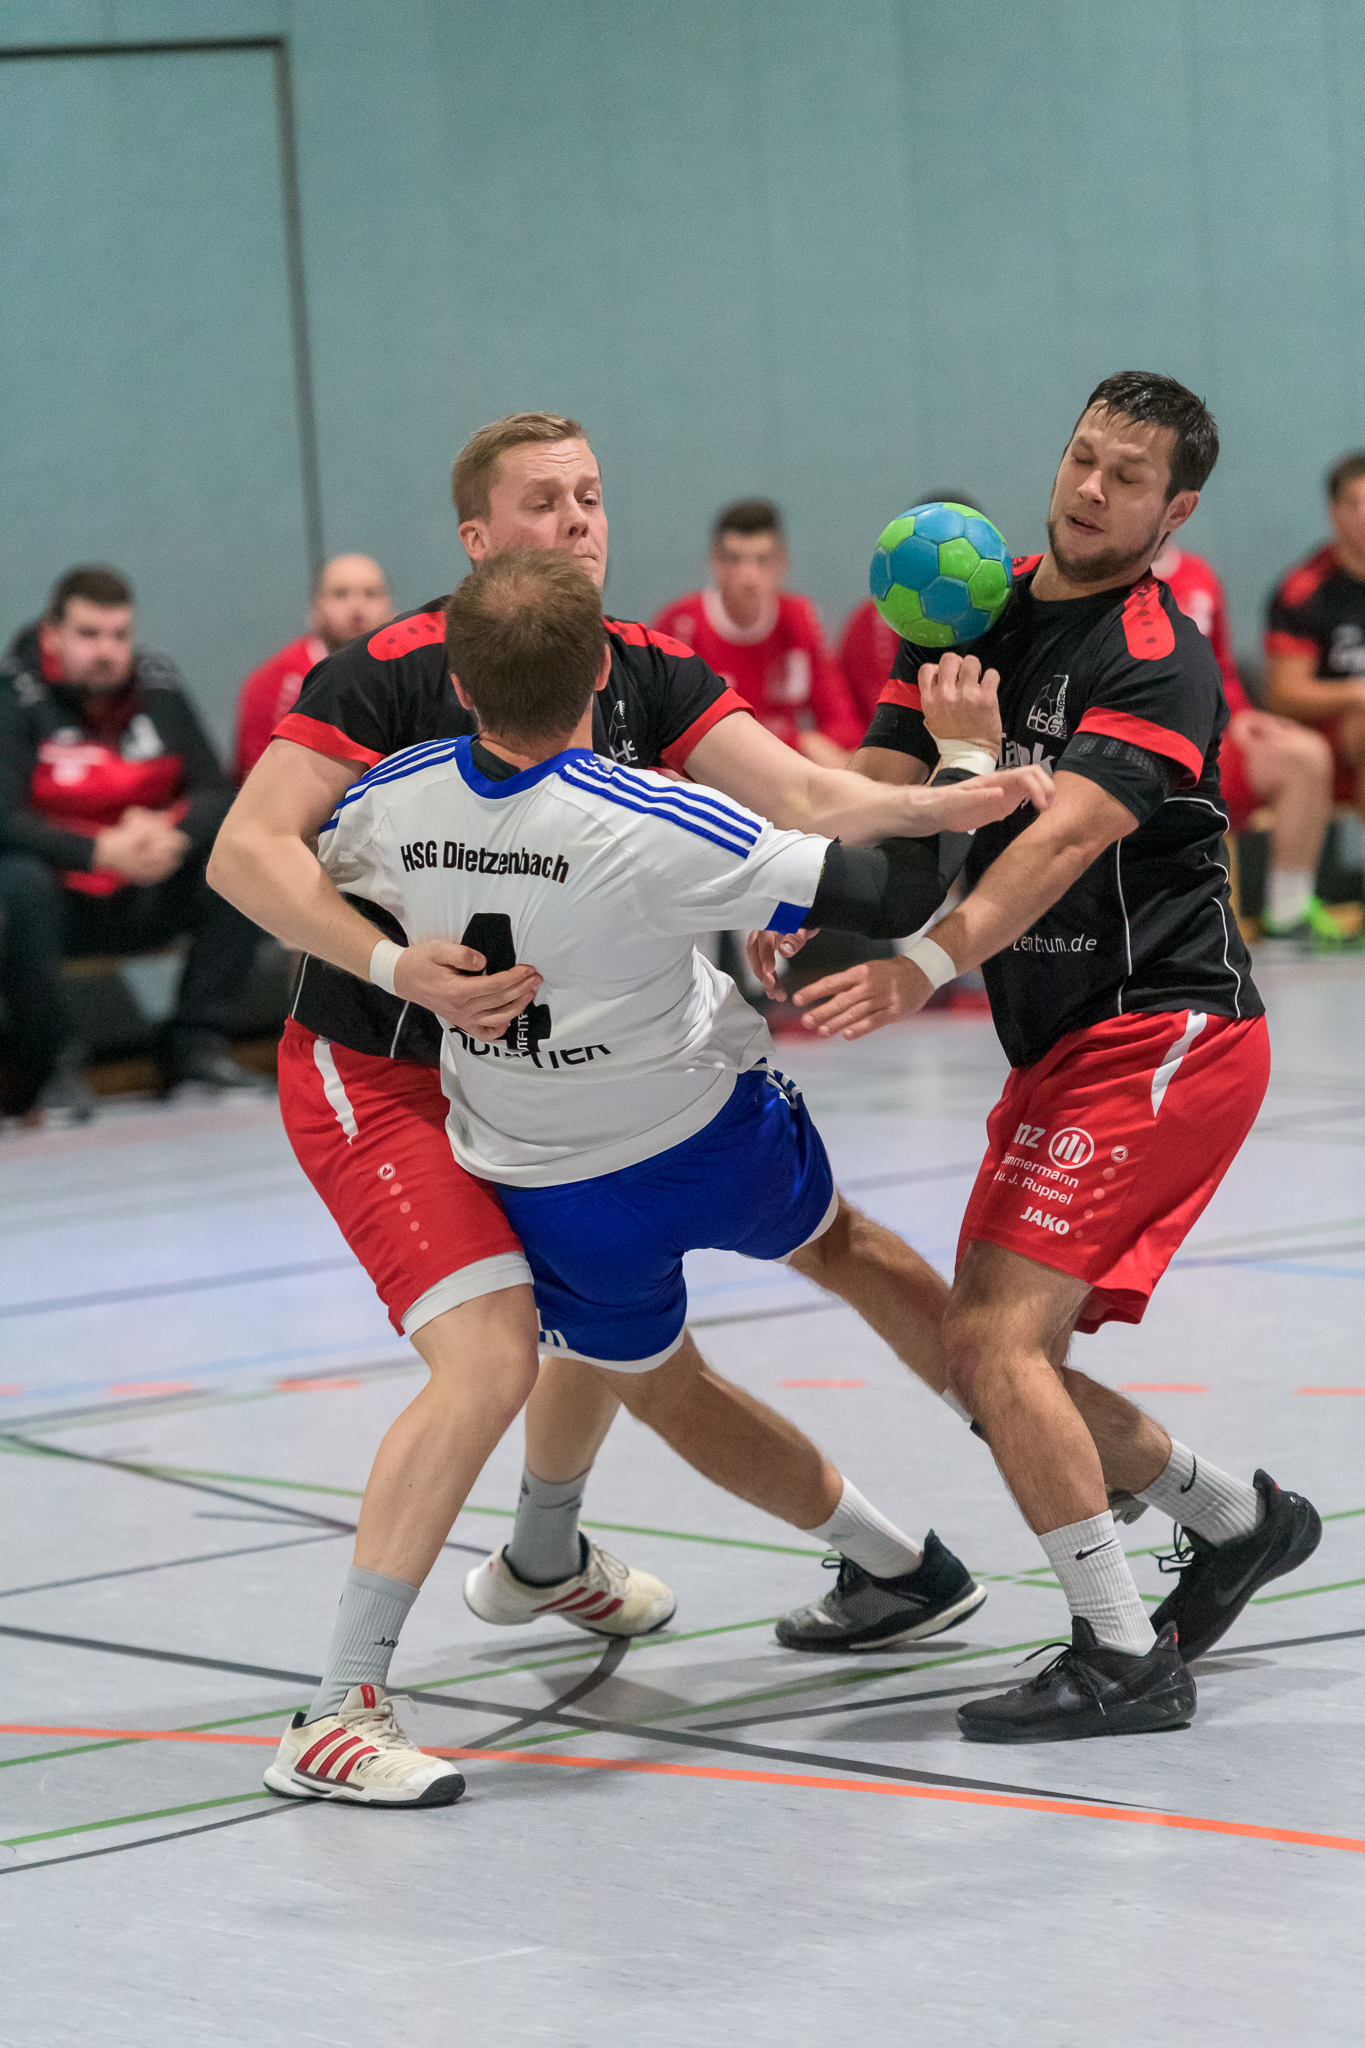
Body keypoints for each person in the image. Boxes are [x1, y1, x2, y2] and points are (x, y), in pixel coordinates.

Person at [208, 410, 1040, 1683]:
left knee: (607, 1310)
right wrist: (393, 965)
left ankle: (555, 1552)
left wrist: (937, 795)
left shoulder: (641, 663)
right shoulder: (390, 674)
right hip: (382, 1062)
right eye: (545, 502)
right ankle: (343, 1697)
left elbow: (802, 796)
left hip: (549, 1077)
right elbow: (245, 850)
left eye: (591, 496)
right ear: (476, 537)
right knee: (502, 1350)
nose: (578, 522)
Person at [754, 373, 1323, 1742]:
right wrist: (802, 891)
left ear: (1176, 510)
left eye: (1128, 477)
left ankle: (1123, 1654)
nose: (1089, 490)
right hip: (1063, 1042)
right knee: (992, 1357)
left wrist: (922, 963)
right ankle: (1234, 1520)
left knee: (995, 1341)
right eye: (1082, 457)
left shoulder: (1161, 653)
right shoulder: (967, 605)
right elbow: (876, 794)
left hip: (1165, 1029)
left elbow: (1061, 836)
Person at [0, 566, 262, 1107]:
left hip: (146, 887)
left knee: (242, 863)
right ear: (52, 634)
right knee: (18, 883)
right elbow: (5, 818)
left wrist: (172, 835)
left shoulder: (158, 687)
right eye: (88, 634)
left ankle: (195, 1048)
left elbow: (217, 793)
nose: (106, 651)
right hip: (58, 904)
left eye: (119, 635)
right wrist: (98, 851)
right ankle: (52, 1067)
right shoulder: (14, 696)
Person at [1153, 542, 1340, 942]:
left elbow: (1220, 665)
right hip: (1138, 749)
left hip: (1207, 748)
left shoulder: (1198, 574)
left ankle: (1288, 915)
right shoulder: (1102, 575)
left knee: (1305, 756)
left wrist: (1241, 715)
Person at [653, 500, 863, 765]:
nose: (749, 576)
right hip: (708, 775)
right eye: (735, 559)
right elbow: (668, 732)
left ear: (782, 562)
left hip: (783, 773)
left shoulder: (801, 618)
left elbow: (844, 725)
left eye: (762, 560)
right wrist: (798, 743)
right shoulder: (680, 625)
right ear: (715, 561)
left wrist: (806, 746)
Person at [1262, 452, 1365, 881]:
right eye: (1354, 504)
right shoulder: (1304, 589)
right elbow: (1284, 694)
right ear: (1333, 512)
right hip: (1326, 739)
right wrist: (1356, 693)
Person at [234, 555, 393, 781]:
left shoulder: (408, 673)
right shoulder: (274, 681)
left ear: (389, 606)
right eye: (340, 594)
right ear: (314, 608)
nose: (357, 607)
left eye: (370, 594)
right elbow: (259, 778)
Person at [837, 493, 981, 730]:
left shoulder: (1002, 620)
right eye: (925, 554)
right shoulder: (868, 621)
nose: (943, 566)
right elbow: (870, 721)